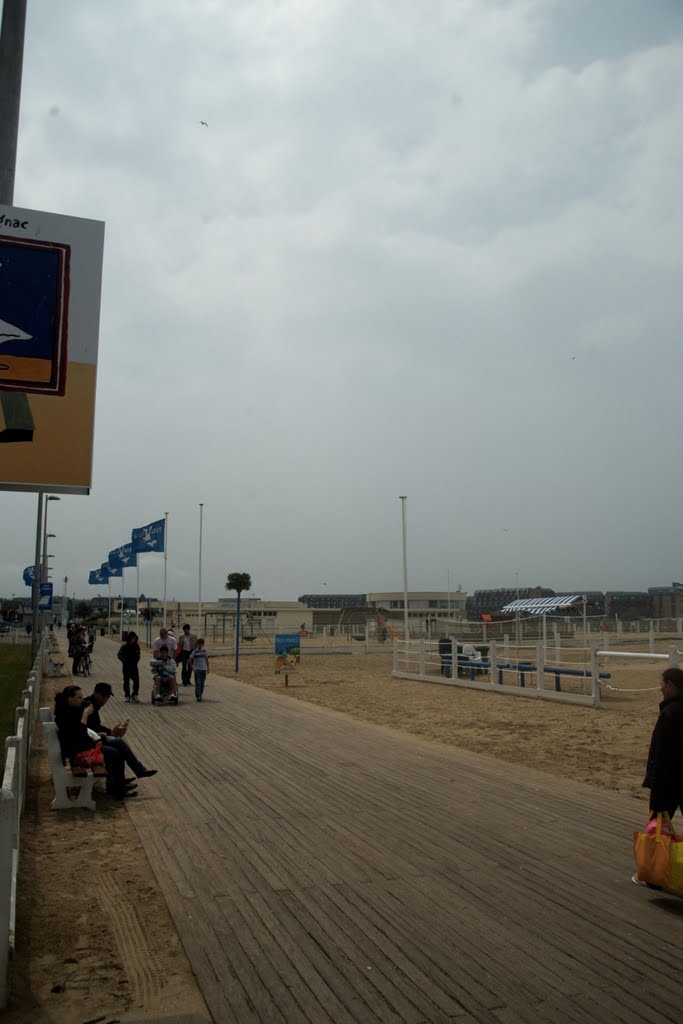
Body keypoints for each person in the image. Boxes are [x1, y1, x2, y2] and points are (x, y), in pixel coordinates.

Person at [54, 684, 132, 798]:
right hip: (76, 752)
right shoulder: (66, 714)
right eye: (79, 698)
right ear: (70, 699)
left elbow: (81, 732)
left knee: (115, 749)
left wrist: (97, 734)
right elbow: (79, 733)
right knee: (115, 754)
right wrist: (85, 715)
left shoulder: (70, 710)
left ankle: (117, 785)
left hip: (79, 747)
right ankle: (117, 789)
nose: (82, 700)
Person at [83, 683, 157, 787]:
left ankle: (121, 779)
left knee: (118, 743)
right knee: (117, 747)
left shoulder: (92, 704)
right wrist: (111, 732)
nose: (105, 699)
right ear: (96, 694)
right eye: (103, 696)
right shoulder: (89, 707)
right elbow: (93, 729)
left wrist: (110, 732)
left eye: (107, 697)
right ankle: (122, 781)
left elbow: (95, 727)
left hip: (92, 739)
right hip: (89, 742)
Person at [642, 667, 683, 820]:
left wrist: (656, 795)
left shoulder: (670, 714)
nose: (661, 689)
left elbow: (662, 755)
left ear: (671, 685)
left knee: (658, 828)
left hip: (669, 781)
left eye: (663, 684)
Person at [118, 631, 141, 702]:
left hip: (134, 666)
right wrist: (124, 661)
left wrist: (136, 660)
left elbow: (138, 654)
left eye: (134, 638)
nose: (133, 640)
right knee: (126, 681)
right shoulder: (124, 646)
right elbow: (119, 655)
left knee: (136, 681)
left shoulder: (136, 646)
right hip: (126, 666)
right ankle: (127, 695)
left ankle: (135, 694)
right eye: (132, 638)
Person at [177, 623, 197, 687]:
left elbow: (195, 645)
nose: (185, 631)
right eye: (184, 630)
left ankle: (188, 680)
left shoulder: (194, 636)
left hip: (191, 652)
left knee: (190, 667)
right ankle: (184, 681)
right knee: (184, 666)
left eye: (186, 630)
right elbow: (180, 646)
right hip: (184, 652)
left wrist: (195, 653)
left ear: (189, 629)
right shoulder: (181, 637)